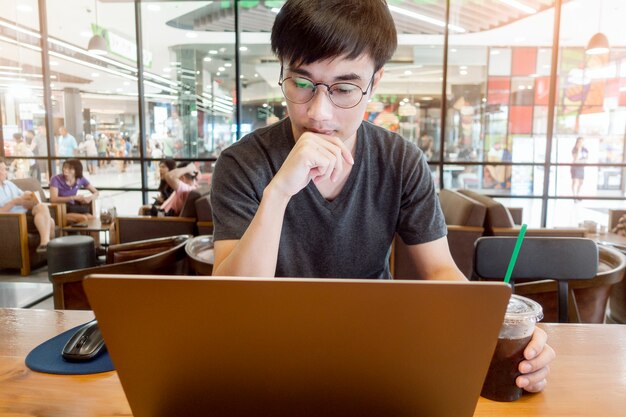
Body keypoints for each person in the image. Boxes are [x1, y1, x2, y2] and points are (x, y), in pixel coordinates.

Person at [210, 0, 554, 394]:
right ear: (283, 73)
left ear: (374, 83)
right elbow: (232, 303)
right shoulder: (242, 163)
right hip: (266, 355)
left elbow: (440, 271)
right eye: (302, 84)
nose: (319, 113)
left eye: (344, 88)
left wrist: (493, 332)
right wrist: (279, 192)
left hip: (375, 352)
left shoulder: (400, 160)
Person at [0, 158, 54, 252]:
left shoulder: (9, 184)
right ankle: (51, 255)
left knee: (42, 206)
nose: (5, 172)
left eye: (5, 169)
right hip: (12, 220)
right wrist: (13, 202)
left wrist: (29, 197)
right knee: (51, 222)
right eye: (3, 169)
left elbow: (22, 199)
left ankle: (45, 244)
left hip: (25, 213)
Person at [49, 159, 99, 224]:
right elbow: (53, 199)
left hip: (73, 208)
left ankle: (88, 235)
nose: (65, 170)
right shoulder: (56, 179)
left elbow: (96, 192)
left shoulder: (80, 179)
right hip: (61, 210)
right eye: (64, 167)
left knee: (92, 218)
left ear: (77, 171)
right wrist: (73, 197)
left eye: (70, 169)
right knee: (83, 218)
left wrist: (89, 198)